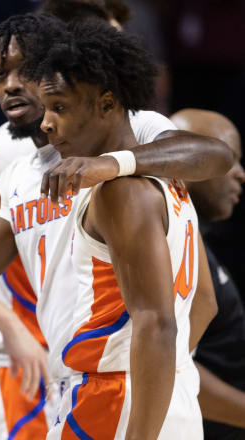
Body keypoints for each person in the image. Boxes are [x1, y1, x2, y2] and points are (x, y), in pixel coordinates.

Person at [0, 12, 233, 440]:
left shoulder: (137, 148)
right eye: (0, 74)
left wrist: (109, 165)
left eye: (31, 76)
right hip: (83, 390)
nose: (17, 88)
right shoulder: (21, 170)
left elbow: (215, 158)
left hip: (119, 387)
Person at [29, 21, 214, 439]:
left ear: (107, 104)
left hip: (116, 401)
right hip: (169, 394)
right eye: (44, 109)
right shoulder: (169, 178)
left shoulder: (121, 192)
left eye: (59, 107)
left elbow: (155, 323)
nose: (45, 123)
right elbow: (203, 303)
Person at [171, 108, 245, 439]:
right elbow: (168, 364)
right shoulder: (166, 246)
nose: (240, 174)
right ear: (188, 162)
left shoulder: (196, 240)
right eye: (231, 158)